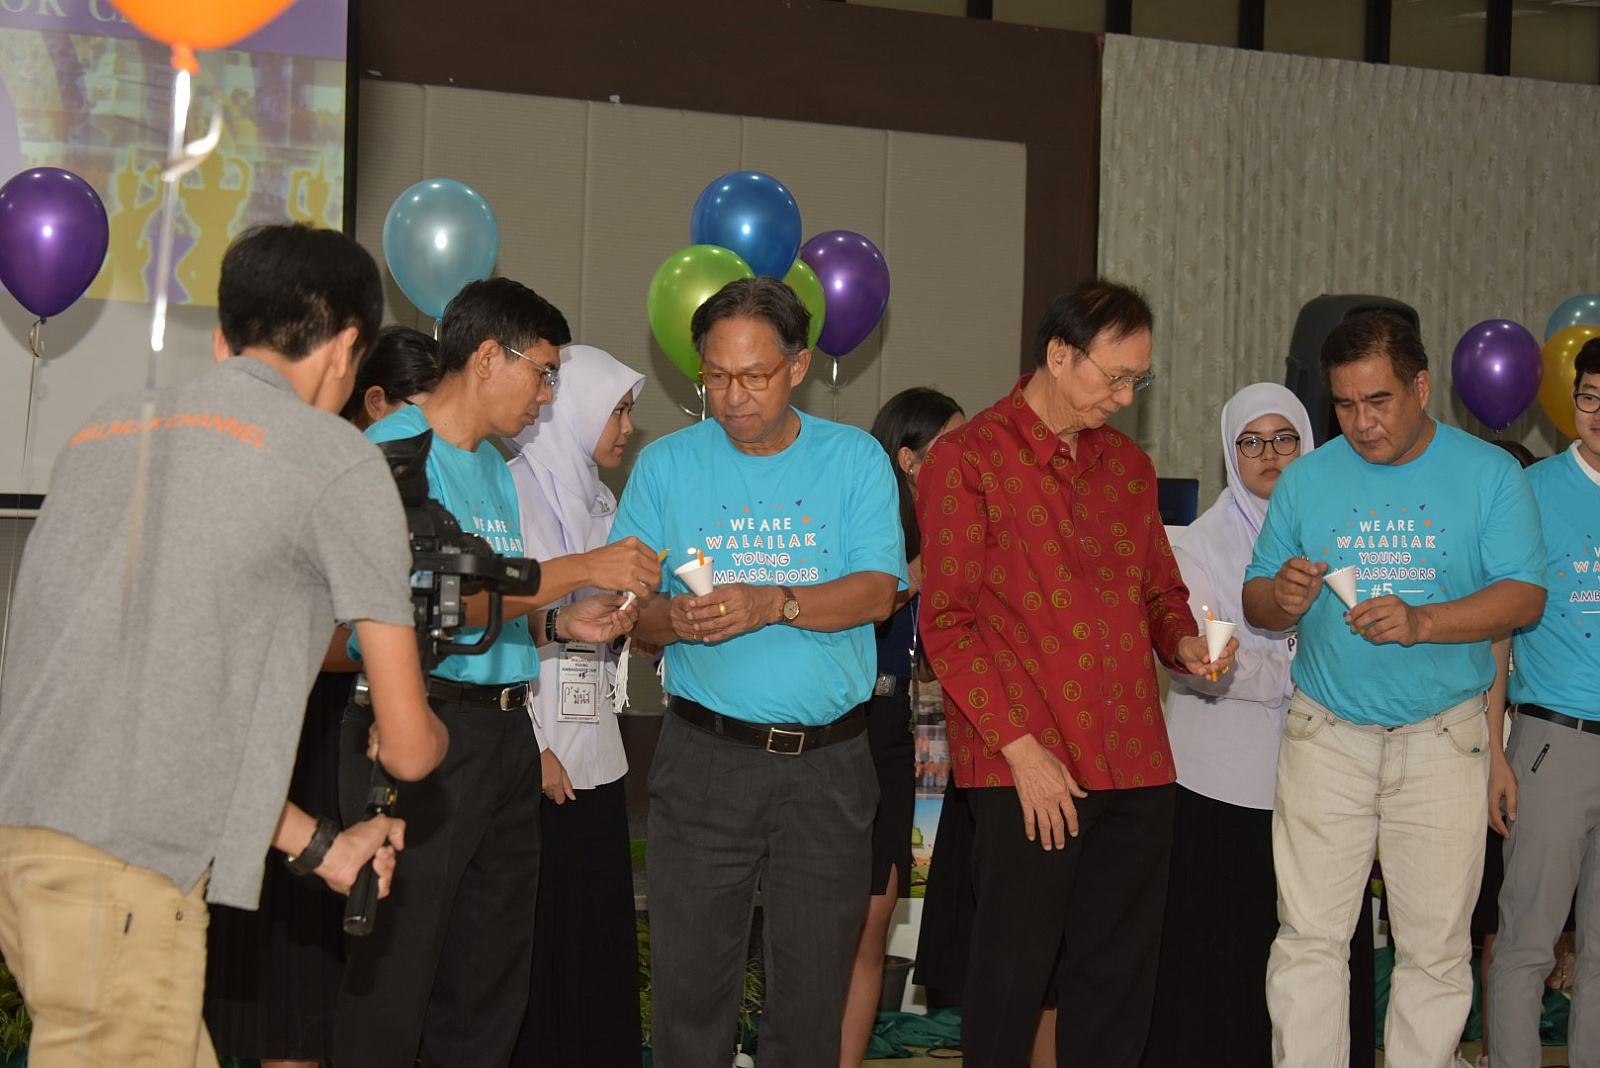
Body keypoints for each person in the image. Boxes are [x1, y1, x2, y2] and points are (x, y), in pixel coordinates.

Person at [0, 224, 450, 1067]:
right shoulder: (333, 457)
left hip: (27, 848)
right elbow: (410, 750)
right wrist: (426, 732)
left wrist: (323, 847)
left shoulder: (105, 429)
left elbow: (163, 725)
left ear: (223, 337)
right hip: (127, 880)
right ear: (346, 347)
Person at [334, 279, 660, 1068]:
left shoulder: (489, 465)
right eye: (542, 373)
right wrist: (581, 568)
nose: (547, 396)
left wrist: (558, 622)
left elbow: (485, 612)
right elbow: (422, 603)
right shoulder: (396, 451)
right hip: (420, 727)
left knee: (490, 982)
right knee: (398, 973)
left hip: (505, 731)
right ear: (488, 357)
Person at [915, 279, 1236, 1068]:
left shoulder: (1128, 467)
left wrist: (1184, 645)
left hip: (1135, 759)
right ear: (1059, 355)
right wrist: (1021, 750)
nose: (1124, 399)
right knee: (1012, 980)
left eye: (1138, 382)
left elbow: (1160, 592)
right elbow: (946, 622)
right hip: (1026, 764)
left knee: (1117, 986)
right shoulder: (968, 458)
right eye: (1115, 377)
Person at [610, 276, 906, 1066]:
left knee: (810, 1002)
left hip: (829, 767)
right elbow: (628, 613)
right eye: (715, 376)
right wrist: (676, 620)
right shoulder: (666, 467)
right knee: (689, 996)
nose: (733, 396)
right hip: (706, 759)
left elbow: (878, 592)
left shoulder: (853, 459)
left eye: (754, 376)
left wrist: (774, 602)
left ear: (798, 367)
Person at [1243, 310, 1546, 1068]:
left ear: (1421, 386)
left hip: (1444, 736)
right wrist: (1281, 596)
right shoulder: (1308, 478)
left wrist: (1423, 622)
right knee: (1308, 939)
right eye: (1345, 404)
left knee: (1435, 950)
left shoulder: (1490, 473)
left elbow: (1524, 597)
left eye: (1378, 400)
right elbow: (1257, 599)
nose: (1362, 422)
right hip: (1325, 733)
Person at [204, 324, 444, 1068]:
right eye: (412, 410)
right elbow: (411, 746)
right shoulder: (334, 481)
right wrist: (401, 670)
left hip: (300, 747)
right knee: (283, 963)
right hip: (294, 734)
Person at [1141, 383, 1315, 1067]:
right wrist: (1299, 669)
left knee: (1307, 956)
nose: (1269, 454)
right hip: (1219, 787)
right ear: (1229, 452)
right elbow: (1203, 662)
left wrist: (1279, 662)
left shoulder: (1336, 531)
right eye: (1251, 442)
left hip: (1321, 780)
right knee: (1221, 963)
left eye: (1284, 438)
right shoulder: (1199, 545)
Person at [504, 344, 647, 1067]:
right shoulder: (510, 492)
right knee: (538, 947)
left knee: (596, 944)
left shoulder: (601, 503)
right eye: (617, 411)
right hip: (537, 751)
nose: (627, 427)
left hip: (597, 748)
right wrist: (531, 747)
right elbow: (496, 623)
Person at [838, 387, 965, 1065]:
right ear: (909, 460)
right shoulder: (864, 517)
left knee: (875, 920)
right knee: (831, 923)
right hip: (841, 729)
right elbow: (854, 608)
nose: (968, 459)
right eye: (953, 446)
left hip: (895, 730)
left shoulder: (953, 529)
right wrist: (918, 574)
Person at [1487, 337, 1600, 1068]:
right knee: (1529, 942)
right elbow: (1499, 624)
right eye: (1590, 398)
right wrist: (1494, 752)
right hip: (1555, 740)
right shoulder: (1533, 491)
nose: (1599, 414)